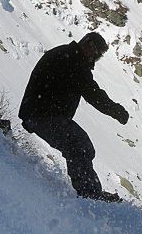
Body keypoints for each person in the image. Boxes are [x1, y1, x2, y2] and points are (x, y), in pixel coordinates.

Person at [19, 32, 129, 202]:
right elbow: (93, 94)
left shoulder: (67, 55)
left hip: (40, 113)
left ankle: (89, 191)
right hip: (42, 115)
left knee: (79, 144)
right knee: (79, 144)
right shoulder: (73, 62)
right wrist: (116, 111)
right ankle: (89, 194)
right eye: (97, 55)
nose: (95, 60)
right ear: (89, 45)